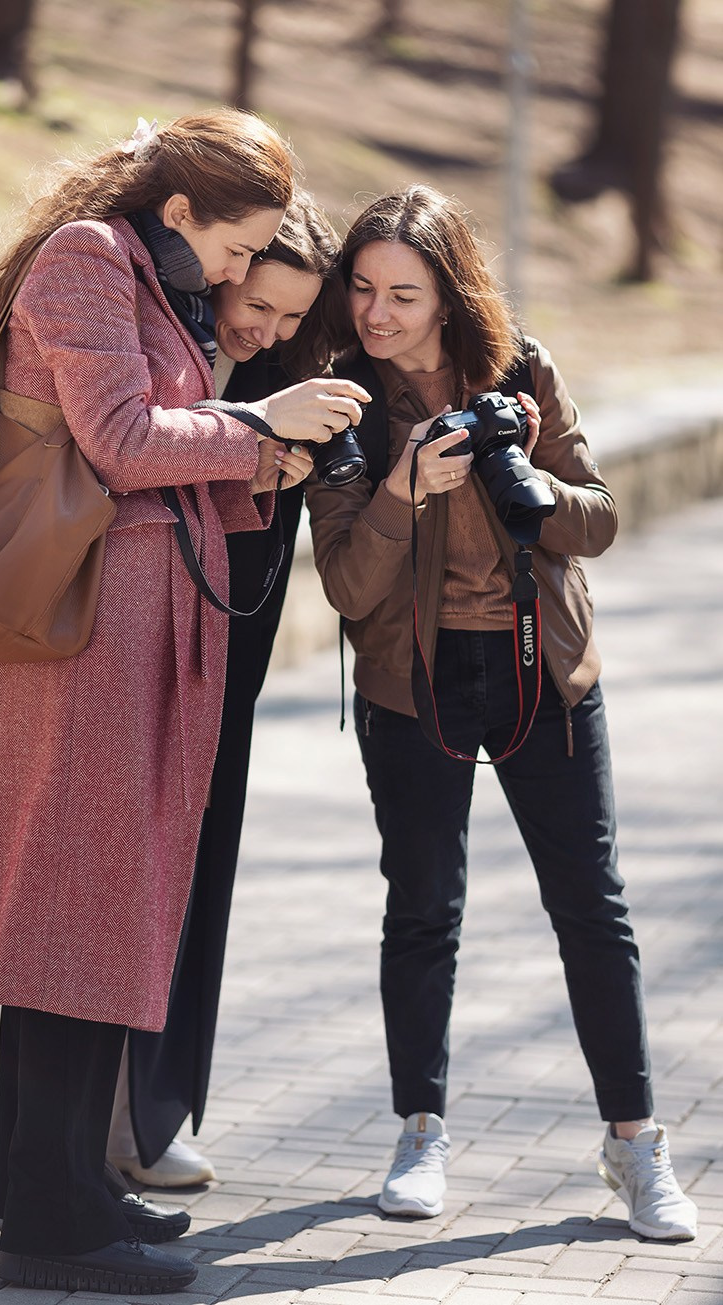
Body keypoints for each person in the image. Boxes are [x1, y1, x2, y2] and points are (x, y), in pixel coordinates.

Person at [0, 110, 367, 1295]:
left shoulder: (144, 282)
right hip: (83, 637)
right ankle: (50, 1227)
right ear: (182, 213)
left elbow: (168, 452)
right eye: (238, 248)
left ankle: (78, 1185)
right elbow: (118, 442)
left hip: (140, 631)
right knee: (70, 906)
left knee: (107, 905)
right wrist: (258, 425)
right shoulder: (86, 263)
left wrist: (273, 459)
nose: (238, 275)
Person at [305, 184, 699, 1242]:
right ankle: (420, 1133)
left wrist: (536, 493)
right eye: (364, 289)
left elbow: (601, 519)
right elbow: (346, 583)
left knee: (593, 909)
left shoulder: (520, 370)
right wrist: (405, 490)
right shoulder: (339, 396)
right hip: (413, 683)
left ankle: (636, 1147)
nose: (378, 313)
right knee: (423, 908)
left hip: (545, 675)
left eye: (404, 294)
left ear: (450, 296)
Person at [110, 191, 350, 1184]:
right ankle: (42, 1131)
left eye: (296, 317)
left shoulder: (289, 372)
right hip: (107, 646)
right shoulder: (140, 321)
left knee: (194, 873)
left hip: (217, 660)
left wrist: (289, 466)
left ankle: (150, 1121)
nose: (269, 329)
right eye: (260, 300)